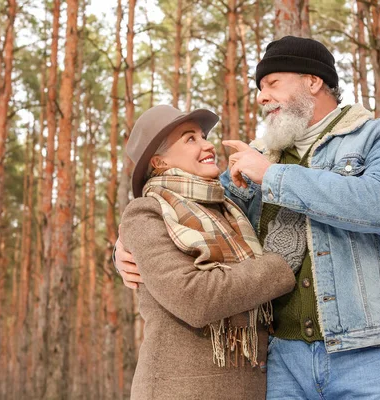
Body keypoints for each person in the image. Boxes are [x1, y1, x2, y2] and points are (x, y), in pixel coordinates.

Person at [116, 36, 380, 399]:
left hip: (368, 354)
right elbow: (191, 214)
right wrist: (121, 250)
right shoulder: (259, 157)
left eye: (272, 83)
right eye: (259, 88)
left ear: (313, 81)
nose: (261, 97)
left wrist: (273, 176)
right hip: (281, 362)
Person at [119, 104, 296, 399]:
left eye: (203, 136)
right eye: (190, 139)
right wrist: (280, 266)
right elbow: (194, 298)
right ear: (159, 162)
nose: (207, 144)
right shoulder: (145, 212)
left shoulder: (229, 210)